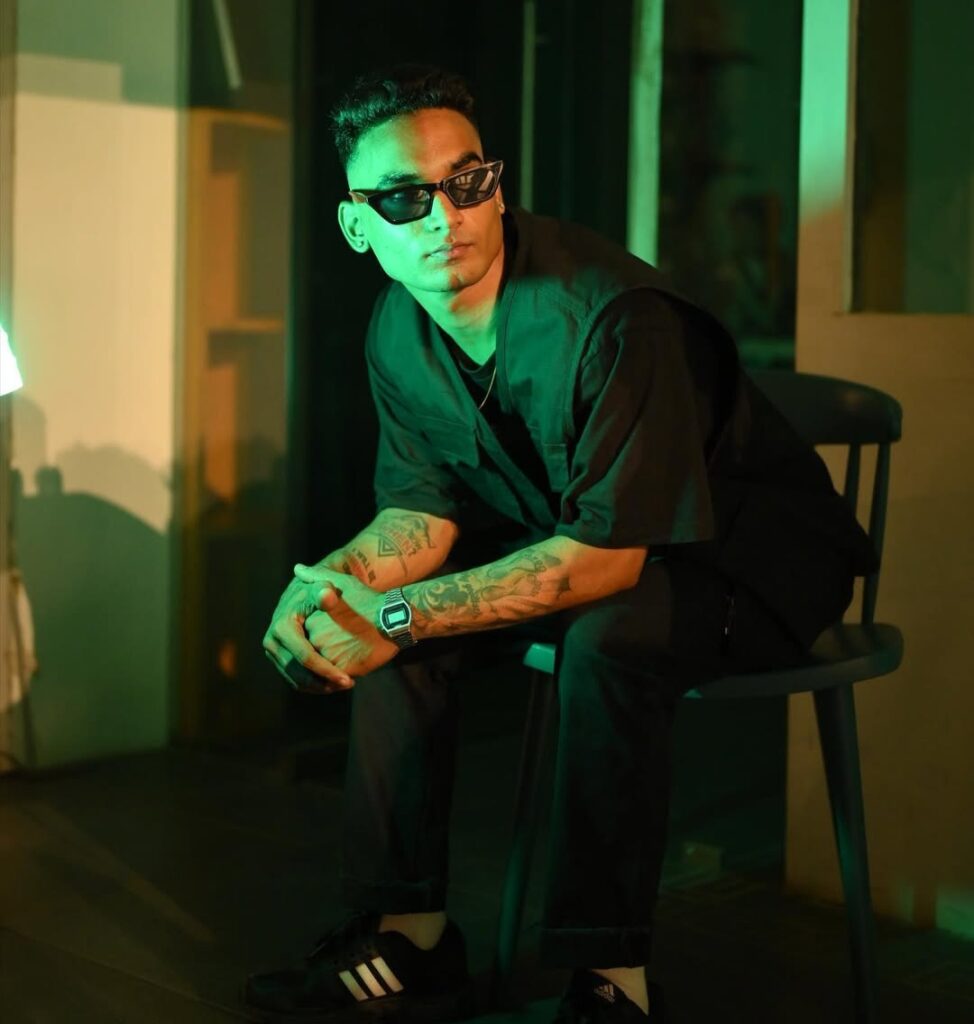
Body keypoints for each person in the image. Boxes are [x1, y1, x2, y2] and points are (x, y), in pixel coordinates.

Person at [249, 65, 877, 1023]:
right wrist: (333, 588)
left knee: (603, 636)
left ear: (496, 187)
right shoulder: (399, 326)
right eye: (405, 197)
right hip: (597, 547)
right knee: (392, 638)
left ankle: (611, 982)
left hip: (749, 564)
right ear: (357, 225)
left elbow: (605, 563)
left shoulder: (611, 316)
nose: (445, 216)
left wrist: (399, 610)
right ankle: (411, 939)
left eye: (467, 182)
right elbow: (422, 514)